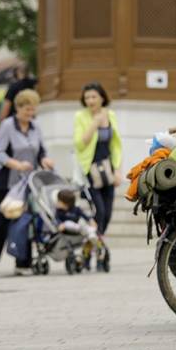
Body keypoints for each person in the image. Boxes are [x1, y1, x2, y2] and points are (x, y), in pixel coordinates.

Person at [0, 88, 54, 274]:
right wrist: (15, 164)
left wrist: (45, 160)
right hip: (6, 181)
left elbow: (41, 151)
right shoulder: (8, 125)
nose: (30, 114)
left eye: (33, 110)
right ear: (18, 108)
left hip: (28, 182)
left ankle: (23, 262)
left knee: (25, 222)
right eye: (26, 111)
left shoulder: (35, 126)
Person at [73, 82, 122, 236]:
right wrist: (95, 122)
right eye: (87, 97)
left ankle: (95, 240)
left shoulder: (111, 115)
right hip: (90, 169)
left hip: (108, 168)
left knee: (107, 213)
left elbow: (116, 145)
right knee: (99, 210)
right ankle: (93, 241)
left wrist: (118, 170)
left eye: (94, 96)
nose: (90, 101)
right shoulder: (80, 116)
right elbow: (80, 144)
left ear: (102, 98)